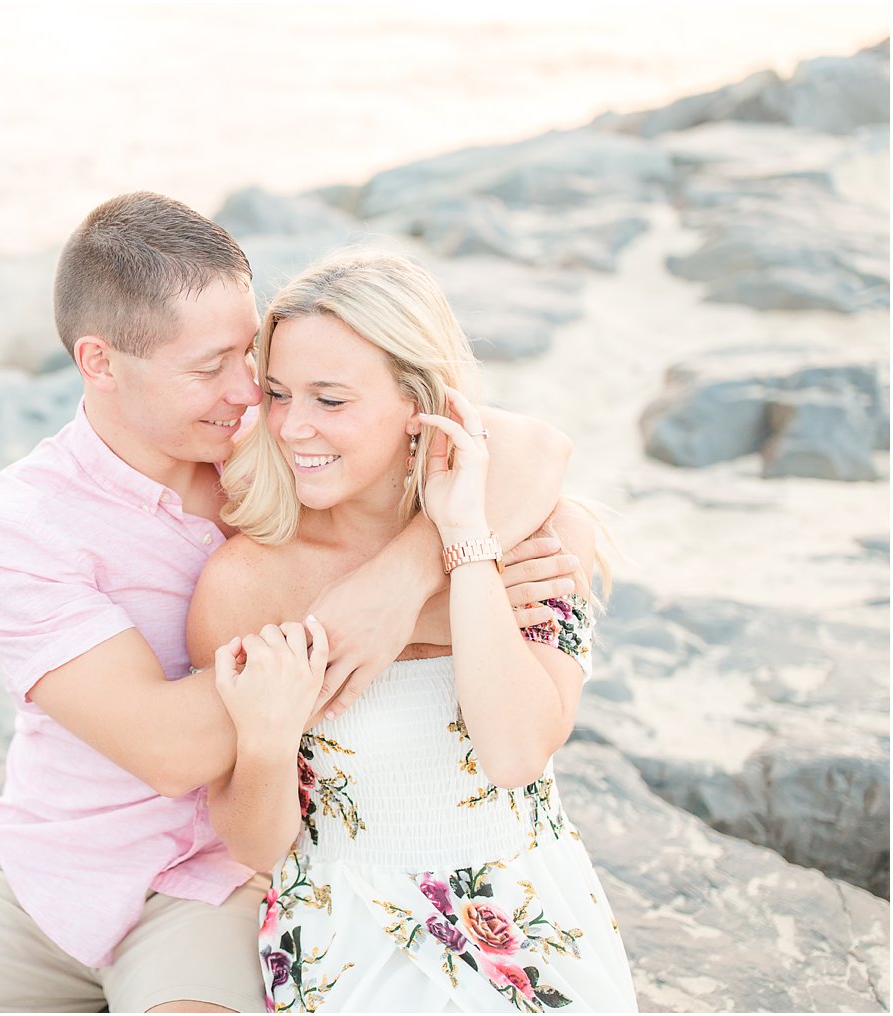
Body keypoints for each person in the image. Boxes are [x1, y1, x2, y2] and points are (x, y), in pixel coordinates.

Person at [0, 194, 579, 1013]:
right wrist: (406, 619)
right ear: (100, 363)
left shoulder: (284, 445)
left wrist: (406, 579)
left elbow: (530, 445)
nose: (246, 393)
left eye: (250, 356)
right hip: (52, 869)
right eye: (209, 369)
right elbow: (170, 750)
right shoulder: (19, 529)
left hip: (223, 876)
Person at [187, 250, 638, 1013]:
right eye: (278, 393)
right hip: (346, 930)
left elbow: (515, 751)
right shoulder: (246, 581)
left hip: (532, 921)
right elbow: (257, 847)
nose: (295, 426)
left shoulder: (541, 534)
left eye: (331, 400)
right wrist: (265, 738)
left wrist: (462, 546)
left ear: (419, 406)